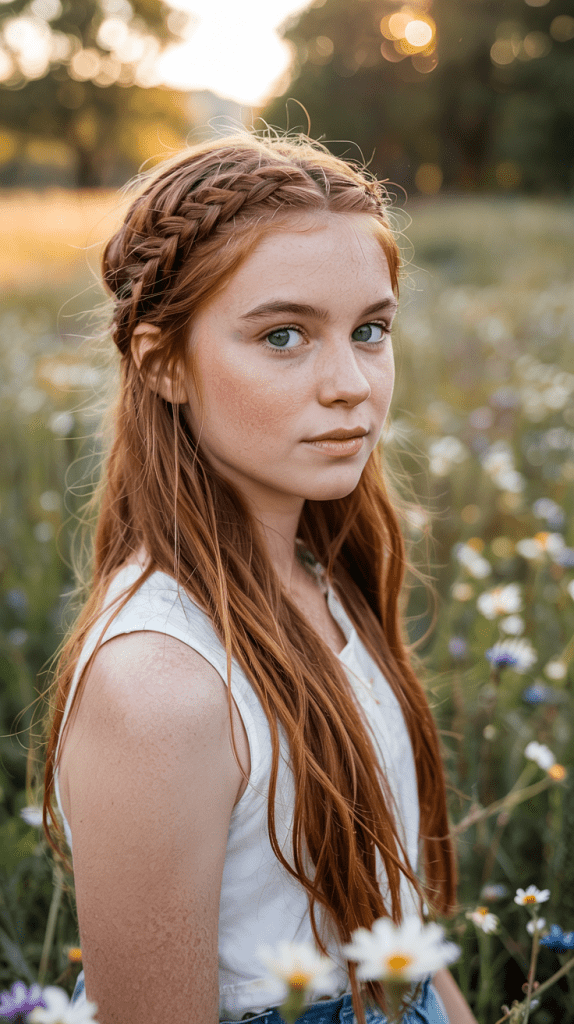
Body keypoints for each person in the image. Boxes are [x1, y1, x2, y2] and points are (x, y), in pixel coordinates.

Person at [40, 132, 478, 1024]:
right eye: (284, 335)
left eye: (370, 330)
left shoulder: (322, 574)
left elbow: (396, 923)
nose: (351, 383)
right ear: (164, 362)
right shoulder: (160, 686)